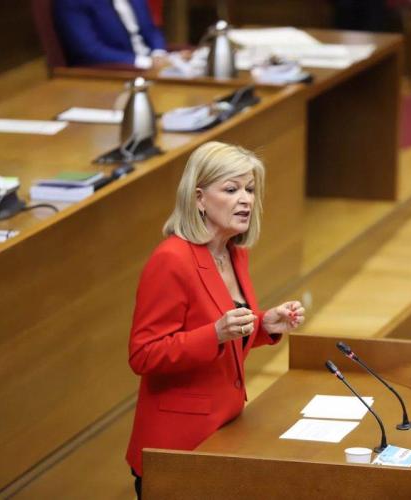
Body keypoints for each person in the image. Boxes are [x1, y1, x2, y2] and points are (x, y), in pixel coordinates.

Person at [125, 141, 305, 498]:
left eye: (250, 189)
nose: (246, 200)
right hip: (178, 447)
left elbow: (224, 328)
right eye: (231, 189)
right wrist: (215, 334)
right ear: (199, 198)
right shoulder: (172, 260)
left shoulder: (233, 253)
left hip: (224, 431)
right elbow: (143, 354)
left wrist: (264, 324)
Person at [53, 0, 167, 68]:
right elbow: (89, 51)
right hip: (114, 72)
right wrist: (147, 63)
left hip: (152, 64)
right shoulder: (72, 2)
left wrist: (158, 53)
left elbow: (151, 31)